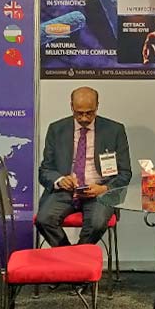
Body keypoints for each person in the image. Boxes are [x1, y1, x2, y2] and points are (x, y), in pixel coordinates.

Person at [36, 87, 132, 247]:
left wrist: (104, 188)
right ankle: (73, 257)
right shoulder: (56, 129)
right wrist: (60, 180)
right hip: (65, 191)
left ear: (97, 106)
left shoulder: (114, 130)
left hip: (100, 192)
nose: (84, 118)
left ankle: (75, 257)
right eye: (79, 113)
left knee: (97, 223)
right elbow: (45, 170)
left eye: (90, 113)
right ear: (71, 106)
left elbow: (125, 173)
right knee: (44, 220)